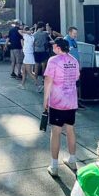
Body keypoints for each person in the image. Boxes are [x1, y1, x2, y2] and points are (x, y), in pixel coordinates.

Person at [44, 38, 80, 176]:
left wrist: (45, 100)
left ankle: (54, 165)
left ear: (58, 48)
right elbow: (76, 77)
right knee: (70, 129)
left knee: (56, 132)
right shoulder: (74, 60)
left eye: (54, 46)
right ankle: (72, 159)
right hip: (71, 101)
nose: (53, 48)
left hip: (57, 102)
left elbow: (48, 81)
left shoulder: (53, 61)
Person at [32, 22, 50, 92]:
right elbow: (48, 32)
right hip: (43, 51)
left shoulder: (34, 34)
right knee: (43, 66)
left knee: (36, 66)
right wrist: (47, 25)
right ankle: (43, 79)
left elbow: (32, 44)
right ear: (42, 27)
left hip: (36, 51)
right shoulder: (44, 34)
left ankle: (35, 80)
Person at [19, 25, 36, 90]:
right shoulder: (30, 36)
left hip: (28, 55)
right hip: (27, 55)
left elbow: (19, 31)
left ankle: (38, 85)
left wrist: (27, 32)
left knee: (29, 72)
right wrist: (28, 32)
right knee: (23, 70)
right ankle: (22, 85)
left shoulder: (28, 36)